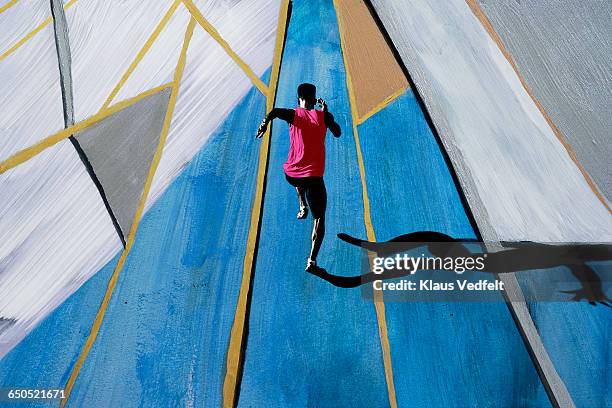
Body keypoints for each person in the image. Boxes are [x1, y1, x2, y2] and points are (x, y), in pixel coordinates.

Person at [256, 83, 341, 272]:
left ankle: (302, 204)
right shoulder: (323, 116)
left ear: (298, 99)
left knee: (298, 178)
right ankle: (312, 261)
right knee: (319, 218)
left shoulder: (293, 115)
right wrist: (328, 115)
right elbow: (338, 132)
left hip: (292, 174)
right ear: (314, 99)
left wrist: (264, 124)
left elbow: (275, 112)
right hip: (314, 178)